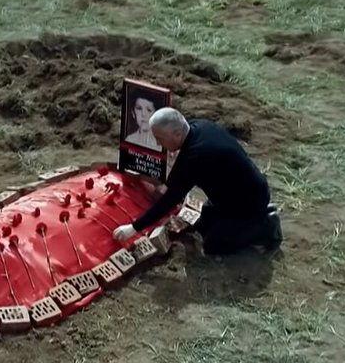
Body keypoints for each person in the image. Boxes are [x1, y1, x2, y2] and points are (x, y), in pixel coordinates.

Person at [113, 108, 281, 255]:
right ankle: (251, 219)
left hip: (248, 201)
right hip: (235, 192)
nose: (158, 143)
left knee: (213, 246)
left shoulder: (195, 156)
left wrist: (133, 228)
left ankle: (266, 226)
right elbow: (177, 177)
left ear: (177, 134)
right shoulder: (199, 126)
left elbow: (170, 199)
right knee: (204, 222)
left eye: (160, 138)